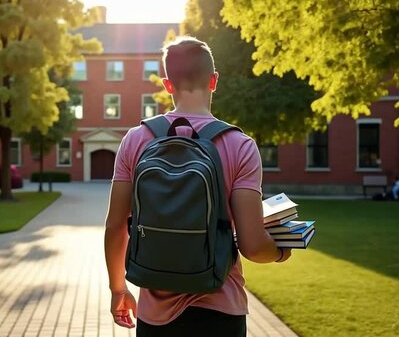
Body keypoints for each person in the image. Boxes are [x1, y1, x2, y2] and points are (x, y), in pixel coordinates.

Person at [104, 36, 292, 336]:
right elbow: (254, 247)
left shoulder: (135, 140)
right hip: (221, 312)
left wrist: (118, 289)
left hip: (155, 317)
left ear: (168, 85)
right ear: (214, 80)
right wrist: (281, 251)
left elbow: (116, 226)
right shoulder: (239, 146)